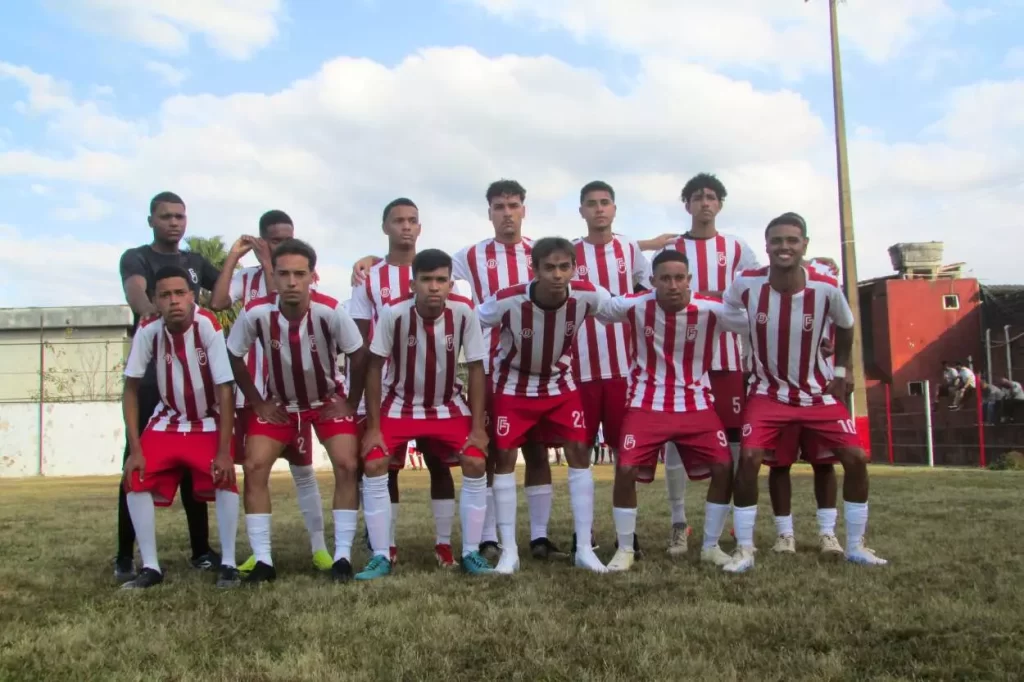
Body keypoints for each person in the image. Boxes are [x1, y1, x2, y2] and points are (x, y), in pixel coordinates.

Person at [721, 213, 887, 573]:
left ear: (804, 246)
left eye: (792, 240)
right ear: (766, 246)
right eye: (777, 241)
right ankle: (745, 549)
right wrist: (748, 335)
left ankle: (856, 545)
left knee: (855, 458)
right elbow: (727, 310)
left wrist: (842, 371)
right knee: (749, 461)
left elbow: (846, 325)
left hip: (818, 394)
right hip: (767, 393)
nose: (784, 247)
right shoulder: (746, 283)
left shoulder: (826, 286)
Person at [226, 239, 368, 583]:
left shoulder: (331, 311)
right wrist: (258, 401)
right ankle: (263, 561)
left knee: (348, 464)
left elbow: (359, 355)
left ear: (312, 276)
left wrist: (349, 402)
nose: (291, 281)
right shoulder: (256, 312)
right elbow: (233, 354)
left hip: (325, 403)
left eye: (299, 274)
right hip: (281, 406)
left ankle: (343, 558)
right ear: (272, 275)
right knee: (255, 464)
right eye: (284, 273)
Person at [356, 248, 495, 579]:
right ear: (412, 285)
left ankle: (465, 550)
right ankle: (381, 552)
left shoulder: (464, 312)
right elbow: (373, 368)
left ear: (450, 283)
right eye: (426, 280)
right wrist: (373, 428)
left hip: (446, 403)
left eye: (441, 280)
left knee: (475, 460)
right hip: (400, 402)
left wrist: (478, 428)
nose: (434, 287)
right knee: (375, 461)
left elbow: (476, 368)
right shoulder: (393, 314)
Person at [477, 237, 611, 574]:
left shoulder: (588, 295)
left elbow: (623, 309)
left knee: (580, 453)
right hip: (513, 385)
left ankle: (583, 548)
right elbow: (470, 320)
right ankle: (509, 551)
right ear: (534, 270)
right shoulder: (507, 300)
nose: (557, 275)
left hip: (558, 384)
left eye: (564, 267)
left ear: (574, 268)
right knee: (504, 457)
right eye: (549, 267)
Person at [209, 210, 332, 573]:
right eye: (275, 240)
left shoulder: (297, 277)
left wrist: (269, 261)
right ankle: (259, 552)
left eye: (288, 238)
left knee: (303, 469)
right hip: (253, 395)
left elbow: (282, 293)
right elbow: (216, 303)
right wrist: (234, 256)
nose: (284, 245)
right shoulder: (246, 279)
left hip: (292, 394)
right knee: (254, 469)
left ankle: (320, 548)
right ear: (264, 239)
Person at [597, 250, 735, 571]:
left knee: (724, 467)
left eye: (679, 278)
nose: (673, 285)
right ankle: (626, 549)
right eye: (665, 278)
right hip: (646, 404)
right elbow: (601, 307)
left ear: (689, 280)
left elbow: (758, 321)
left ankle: (710, 547)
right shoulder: (635, 306)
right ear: (653, 281)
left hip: (696, 404)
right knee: (626, 469)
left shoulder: (711, 309)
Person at [348, 198, 459, 568]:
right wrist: (359, 398)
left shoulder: (442, 269)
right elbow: (362, 342)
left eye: (413, 220)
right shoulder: (370, 278)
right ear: (386, 228)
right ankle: (387, 545)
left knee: (439, 464)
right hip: (391, 392)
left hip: (437, 389)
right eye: (398, 221)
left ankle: (443, 544)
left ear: (421, 227)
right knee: (387, 466)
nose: (406, 227)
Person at [114, 191, 219, 582]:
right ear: (151, 221)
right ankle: (125, 555)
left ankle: (201, 550)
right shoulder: (137, 257)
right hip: (153, 376)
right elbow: (138, 295)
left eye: (180, 216)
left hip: (192, 377)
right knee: (135, 460)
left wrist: (246, 258)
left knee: (195, 462)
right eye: (166, 216)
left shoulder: (194, 261)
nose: (174, 222)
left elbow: (222, 295)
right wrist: (159, 314)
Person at [120, 266, 240, 589]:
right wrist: (135, 449)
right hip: (168, 419)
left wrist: (225, 450)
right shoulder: (148, 329)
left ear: (192, 296)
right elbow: (130, 387)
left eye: (179, 293)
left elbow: (225, 387)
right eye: (164, 295)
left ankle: (228, 563)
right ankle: (151, 567)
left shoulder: (208, 325)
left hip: (207, 419)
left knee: (225, 476)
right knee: (135, 476)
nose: (173, 301)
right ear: (155, 301)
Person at [571, 180, 650, 498]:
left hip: (623, 370)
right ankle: (583, 536)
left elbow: (648, 293)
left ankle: (627, 538)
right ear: (581, 211)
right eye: (592, 203)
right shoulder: (571, 251)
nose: (599, 208)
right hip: (581, 370)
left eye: (605, 202)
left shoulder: (628, 248)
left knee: (625, 456)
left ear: (614, 208)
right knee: (579, 454)